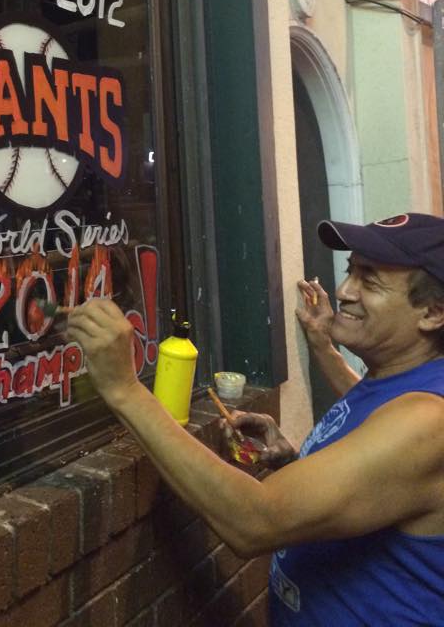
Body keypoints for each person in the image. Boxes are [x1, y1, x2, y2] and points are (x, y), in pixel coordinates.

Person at [66, 213, 444, 626]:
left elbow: (254, 521)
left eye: (369, 281)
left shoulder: (427, 421)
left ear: (433, 313)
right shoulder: (393, 381)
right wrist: (295, 466)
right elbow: (376, 478)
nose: (344, 291)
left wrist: (125, 388)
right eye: (351, 270)